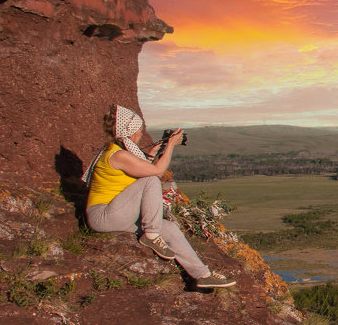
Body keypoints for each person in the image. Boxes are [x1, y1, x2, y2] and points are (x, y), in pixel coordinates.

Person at [83, 105, 236, 289]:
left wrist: (152, 153)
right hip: (104, 215)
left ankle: (202, 275)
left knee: (171, 229)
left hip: (117, 214)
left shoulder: (117, 151)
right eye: (139, 130)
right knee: (151, 181)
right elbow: (156, 172)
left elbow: (137, 171)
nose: (141, 133)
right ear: (131, 132)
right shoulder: (118, 154)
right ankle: (152, 236)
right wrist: (171, 145)